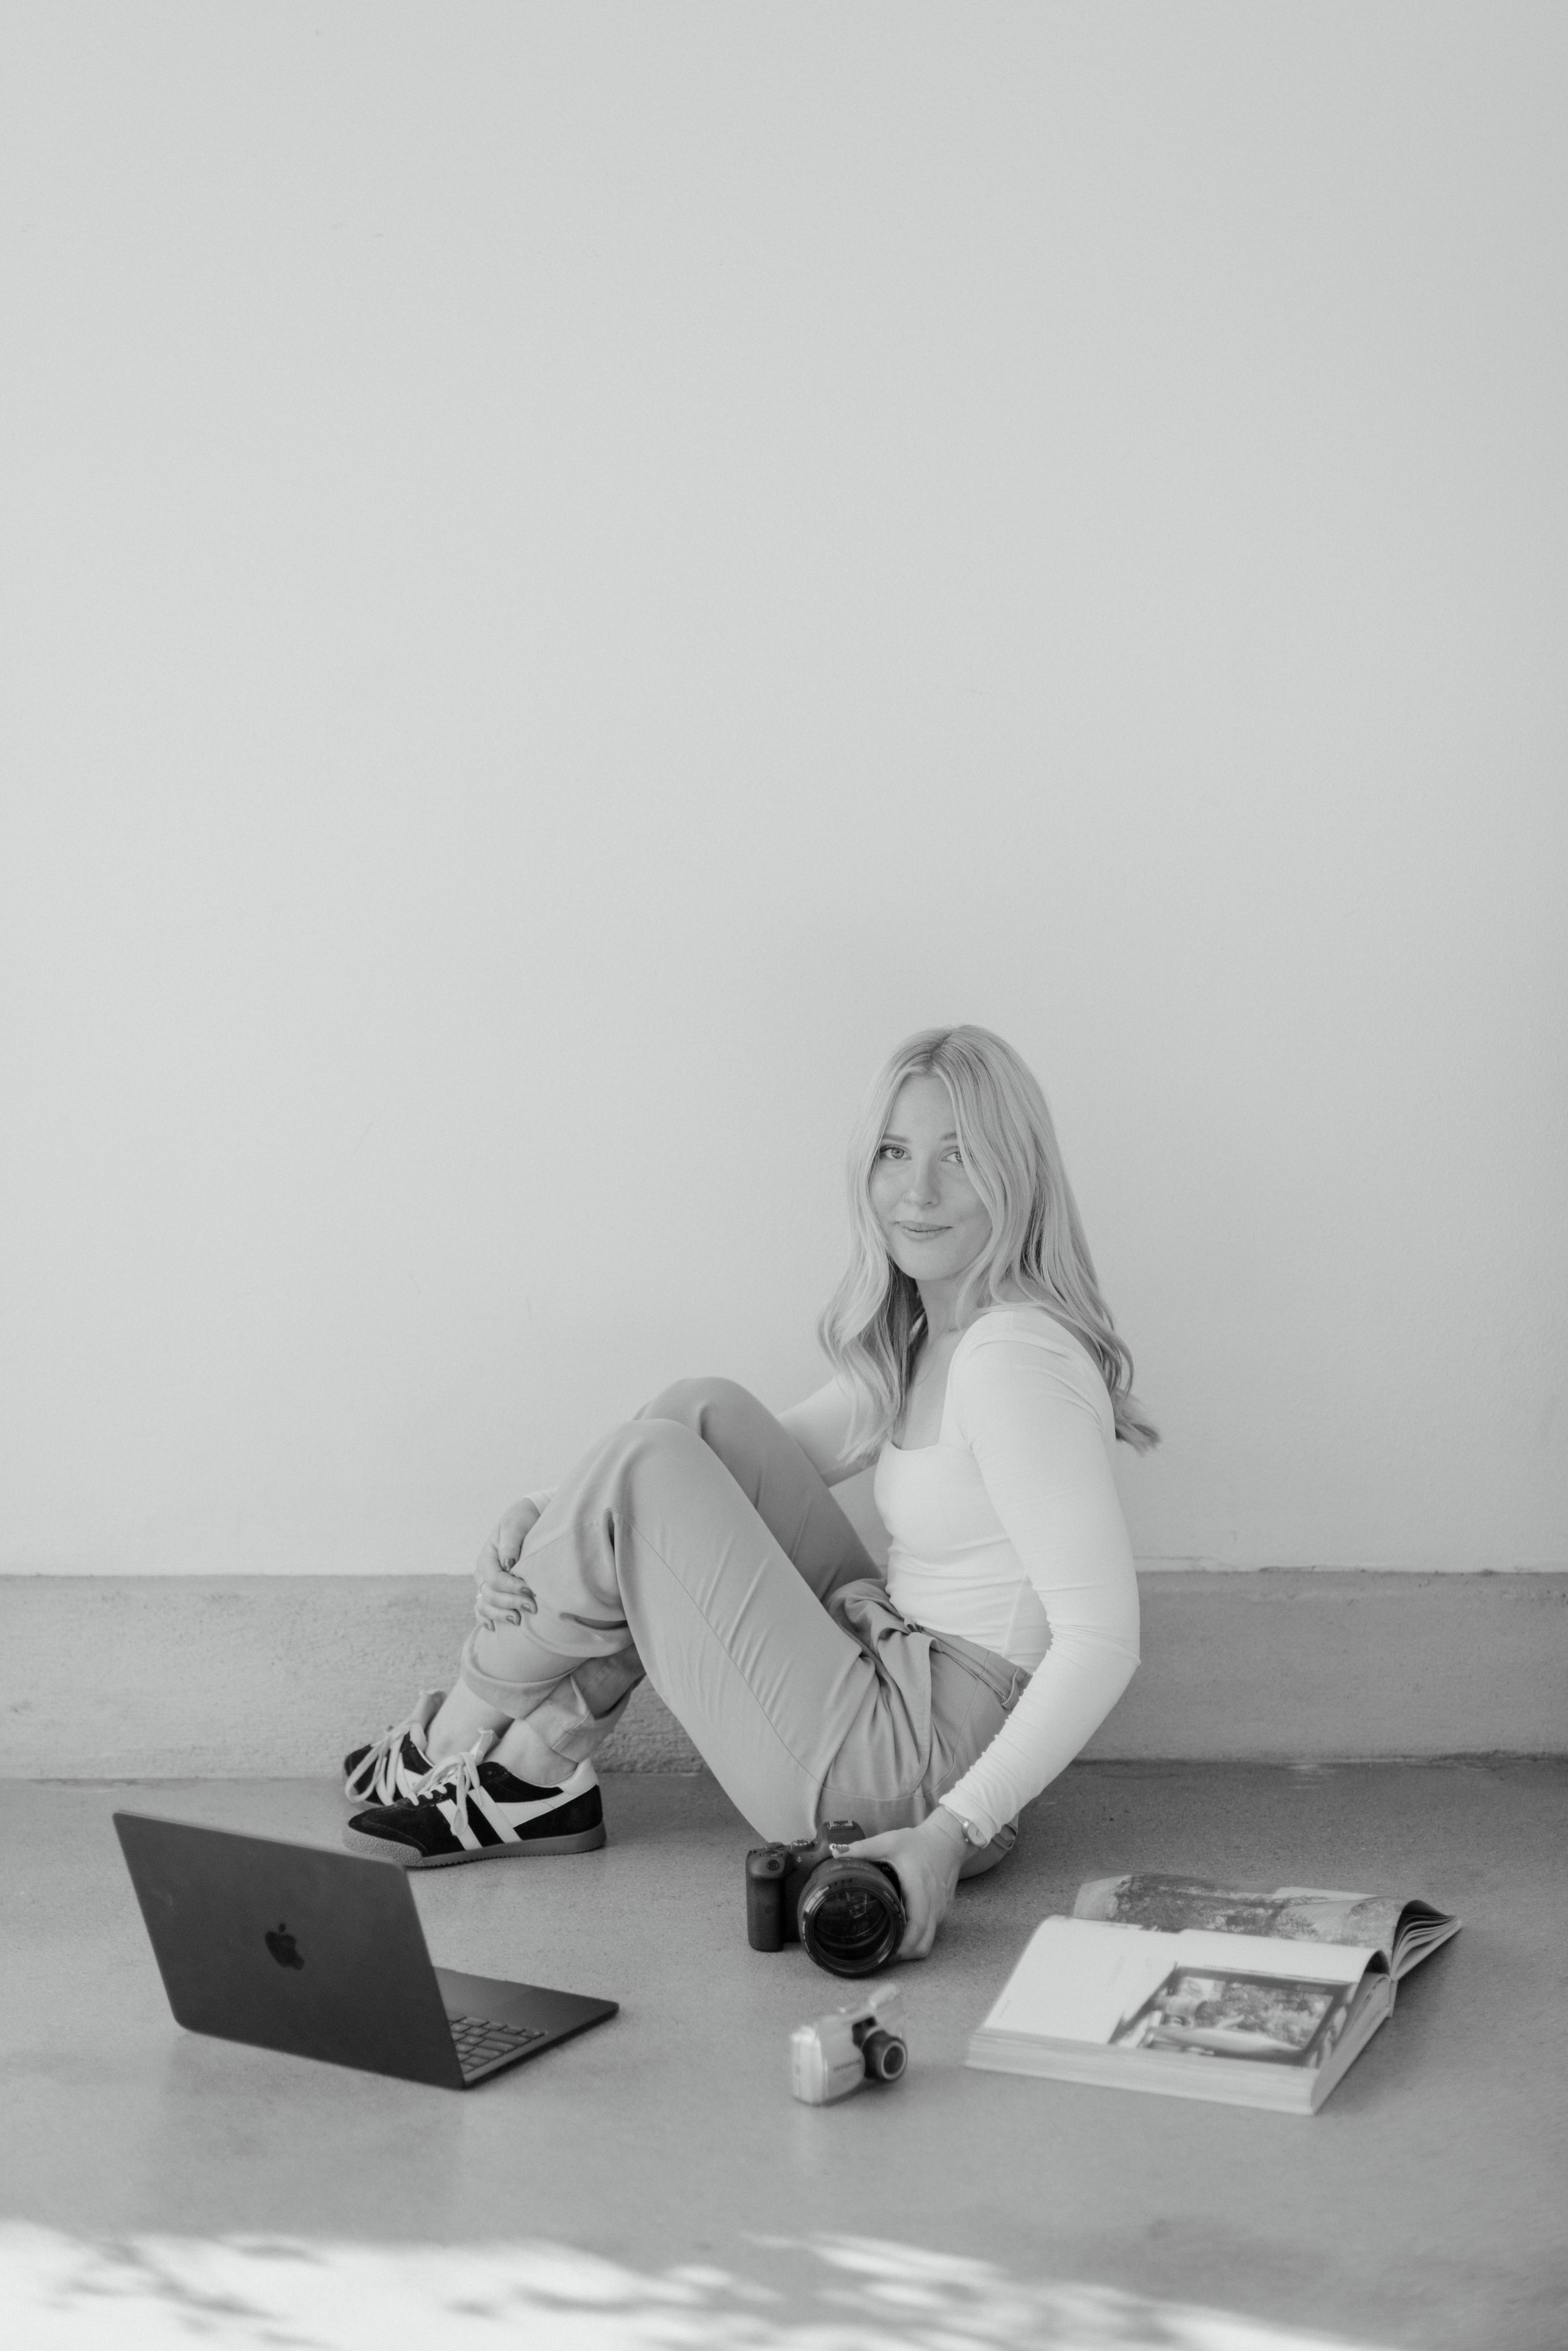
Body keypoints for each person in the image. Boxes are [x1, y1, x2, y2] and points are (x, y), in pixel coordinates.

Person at [341, 1025, 1157, 1961]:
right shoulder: (933, 1339)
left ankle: (453, 1741)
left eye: (959, 1157)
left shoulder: (1012, 1360)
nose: (916, 1191)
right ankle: (531, 1769)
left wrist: (948, 1831)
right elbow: (713, 1464)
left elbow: (1104, 1639)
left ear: (1018, 1177)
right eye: (895, 1153)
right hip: (890, 1679)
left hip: (914, 1778)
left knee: (649, 1469)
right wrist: (545, 1508)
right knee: (700, 1414)